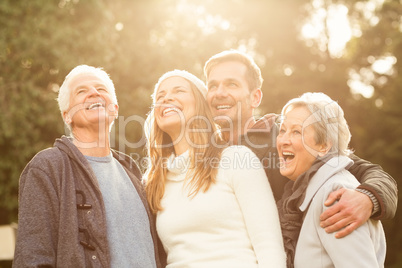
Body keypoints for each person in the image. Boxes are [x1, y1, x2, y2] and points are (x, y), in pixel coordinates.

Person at [203, 50, 398, 238]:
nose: (219, 93)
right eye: (212, 86)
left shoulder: (287, 135)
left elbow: (369, 171)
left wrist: (368, 198)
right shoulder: (203, 153)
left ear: (255, 97)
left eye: (231, 84)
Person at [13, 65, 163, 267]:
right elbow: (33, 258)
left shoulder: (133, 171)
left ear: (115, 109)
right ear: (67, 115)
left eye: (101, 89)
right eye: (81, 91)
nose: (94, 92)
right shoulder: (48, 168)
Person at [144, 70, 286, 267]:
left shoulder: (236, 159)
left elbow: (269, 246)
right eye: (160, 96)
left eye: (179, 91)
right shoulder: (154, 182)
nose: (167, 98)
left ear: (201, 104)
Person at [276, 92, 386, 267]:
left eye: (296, 131)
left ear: (323, 146)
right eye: (282, 130)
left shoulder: (335, 194)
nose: (283, 140)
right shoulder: (314, 191)